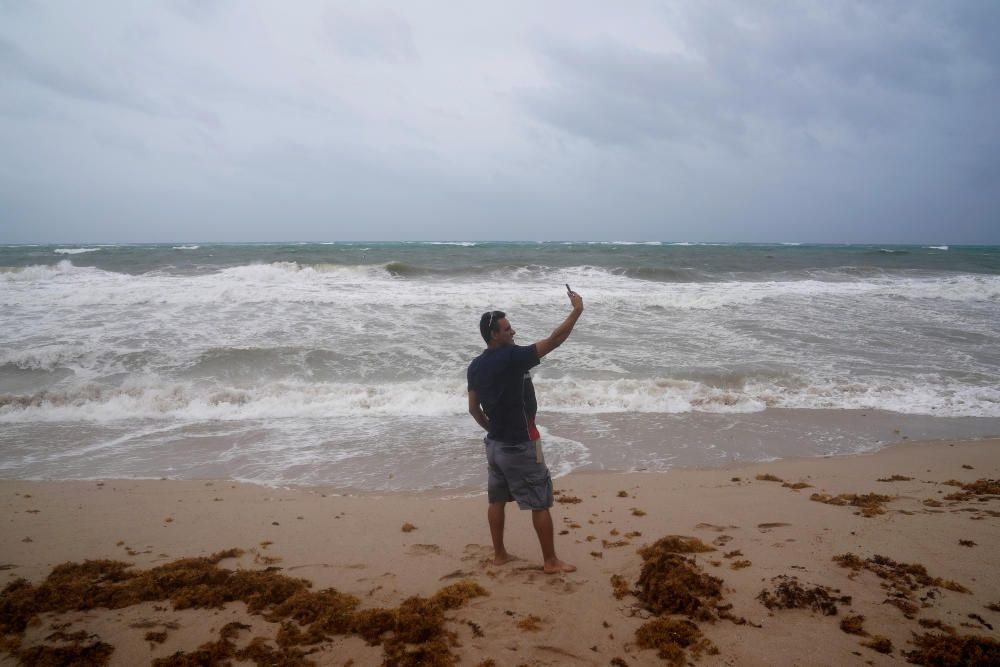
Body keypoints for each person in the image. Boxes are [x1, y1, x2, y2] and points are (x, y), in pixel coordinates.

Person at [467, 289, 584, 573]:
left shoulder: (475, 366)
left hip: (494, 446)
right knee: (540, 502)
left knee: (496, 500)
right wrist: (576, 311)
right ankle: (551, 561)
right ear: (494, 335)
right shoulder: (512, 357)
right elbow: (554, 340)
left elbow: (473, 409)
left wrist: (492, 428)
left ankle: (499, 555)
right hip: (521, 444)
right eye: (507, 329)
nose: (513, 331)